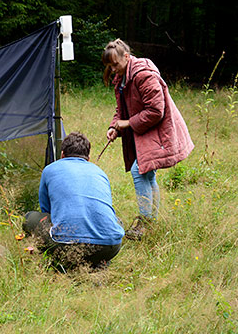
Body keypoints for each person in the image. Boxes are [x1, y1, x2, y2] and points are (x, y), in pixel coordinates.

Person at [102, 38, 194, 240]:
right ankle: (150, 221)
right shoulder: (122, 76)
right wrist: (114, 126)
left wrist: (127, 124)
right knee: (147, 175)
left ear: (126, 57)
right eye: (109, 66)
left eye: (115, 64)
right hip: (143, 131)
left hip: (158, 130)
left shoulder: (144, 75)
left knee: (139, 170)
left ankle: (144, 223)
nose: (113, 69)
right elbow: (122, 108)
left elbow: (156, 111)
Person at [23, 132, 124, 270]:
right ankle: (98, 261)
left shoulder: (50, 170)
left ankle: (59, 261)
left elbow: (46, 210)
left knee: (30, 218)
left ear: (62, 154)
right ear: (88, 158)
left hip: (65, 246)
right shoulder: (100, 172)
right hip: (110, 247)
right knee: (116, 220)